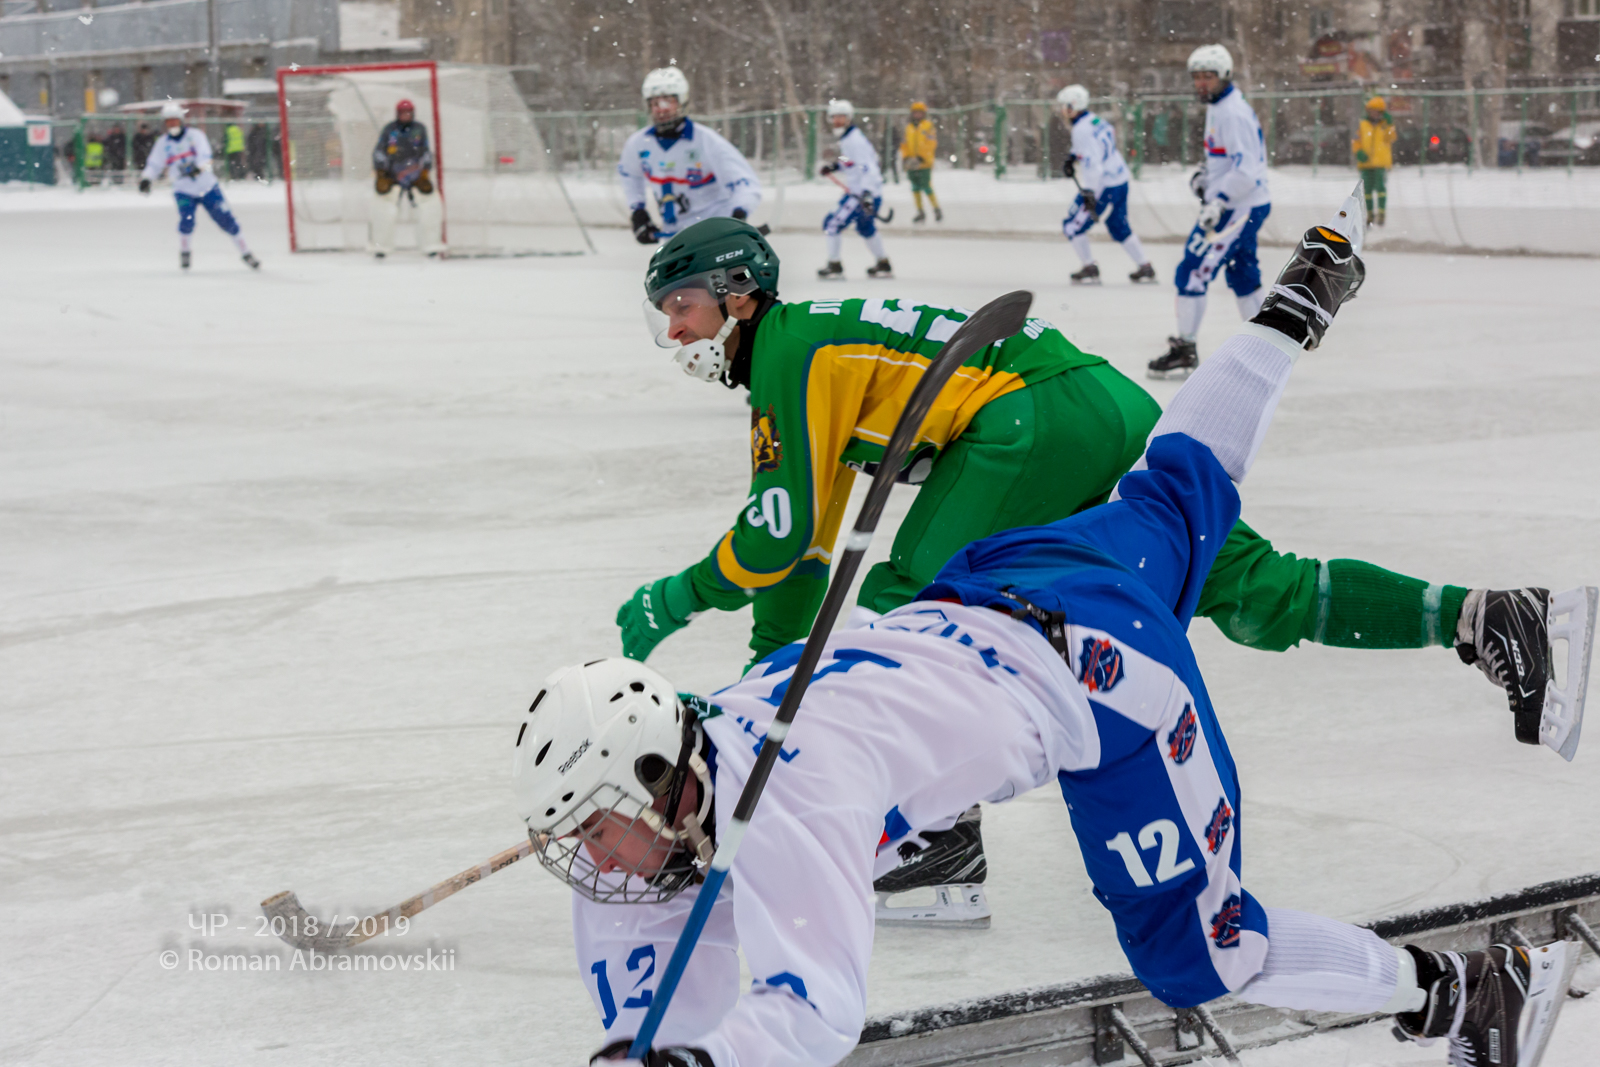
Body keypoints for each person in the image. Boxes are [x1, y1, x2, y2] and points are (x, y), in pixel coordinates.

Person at [518, 215, 1579, 1067]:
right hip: (1004, 580)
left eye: (595, 832)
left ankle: (1461, 993)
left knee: (1204, 956)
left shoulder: (787, 801)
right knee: (1183, 490)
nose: (590, 860)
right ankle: (1297, 308)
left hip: (1107, 687)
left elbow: (809, 1013)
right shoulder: (695, 759)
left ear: (664, 782)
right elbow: (649, 955)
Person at [1148, 44, 1271, 381]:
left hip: (1236, 207)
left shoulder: (1231, 112)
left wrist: (1218, 199)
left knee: (1192, 271)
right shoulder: (1220, 107)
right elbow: (1225, 157)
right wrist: (1205, 176)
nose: (1202, 83)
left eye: (1209, 76)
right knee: (1243, 274)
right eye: (1197, 77)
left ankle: (1185, 348)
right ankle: (1266, 347)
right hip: (1242, 203)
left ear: (1225, 76)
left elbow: (1247, 168)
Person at [618, 67, 762, 245]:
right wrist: (638, 212)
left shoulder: (707, 141)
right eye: (655, 103)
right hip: (674, 239)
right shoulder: (638, 144)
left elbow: (746, 184)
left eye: (667, 101)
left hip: (715, 237)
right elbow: (630, 176)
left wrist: (738, 214)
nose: (661, 110)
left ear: (681, 101)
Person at [138, 102, 259, 272]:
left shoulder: (195, 136)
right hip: (183, 190)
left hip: (207, 187)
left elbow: (205, 155)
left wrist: (198, 167)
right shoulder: (162, 143)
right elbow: (154, 164)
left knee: (226, 220)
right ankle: (185, 251)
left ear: (181, 121)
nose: (172, 125)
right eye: (169, 122)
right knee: (187, 221)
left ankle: (245, 252)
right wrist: (146, 179)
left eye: (175, 121)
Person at [1054, 84, 1155, 285]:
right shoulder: (1095, 120)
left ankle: (1089, 267)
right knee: (1118, 226)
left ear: (1073, 106)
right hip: (1120, 179)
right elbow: (1096, 146)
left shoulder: (1081, 129)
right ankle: (1145, 266)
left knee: (1072, 226)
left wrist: (1089, 192)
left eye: (1064, 106)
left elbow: (1093, 164)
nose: (1062, 111)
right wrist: (1073, 157)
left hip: (1104, 185)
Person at [817, 99, 892, 280]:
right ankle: (883, 263)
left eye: (841, 117)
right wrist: (835, 166)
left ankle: (834, 265)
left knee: (831, 224)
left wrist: (866, 194)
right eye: (834, 118)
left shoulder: (854, 140)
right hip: (868, 193)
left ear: (849, 118)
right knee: (865, 227)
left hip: (860, 195)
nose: (837, 121)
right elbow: (851, 163)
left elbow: (869, 168)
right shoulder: (848, 139)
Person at [370, 99, 443, 259]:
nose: (405, 115)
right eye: (403, 112)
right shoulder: (390, 129)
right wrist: (381, 171)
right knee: (384, 210)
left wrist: (424, 170)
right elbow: (379, 151)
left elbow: (425, 151)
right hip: (392, 176)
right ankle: (380, 247)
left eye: (408, 112)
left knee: (428, 207)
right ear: (397, 114)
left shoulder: (419, 129)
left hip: (415, 176)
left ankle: (431, 245)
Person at [1352, 96, 1396, 227]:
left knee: (1380, 188)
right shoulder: (1363, 125)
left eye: (1377, 111)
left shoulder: (1385, 126)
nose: (1374, 114)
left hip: (1380, 163)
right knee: (1367, 190)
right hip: (1366, 164)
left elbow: (1391, 137)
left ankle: (1381, 213)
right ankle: (1369, 214)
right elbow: (1356, 141)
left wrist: (1389, 125)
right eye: (1371, 111)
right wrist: (1358, 151)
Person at [898, 101, 941, 224]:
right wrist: (906, 157)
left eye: (919, 113)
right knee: (915, 187)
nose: (917, 115)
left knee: (926, 186)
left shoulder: (928, 126)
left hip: (924, 163)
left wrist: (922, 157)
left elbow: (931, 143)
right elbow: (904, 144)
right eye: (915, 113)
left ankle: (936, 208)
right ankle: (920, 211)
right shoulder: (909, 128)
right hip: (912, 163)